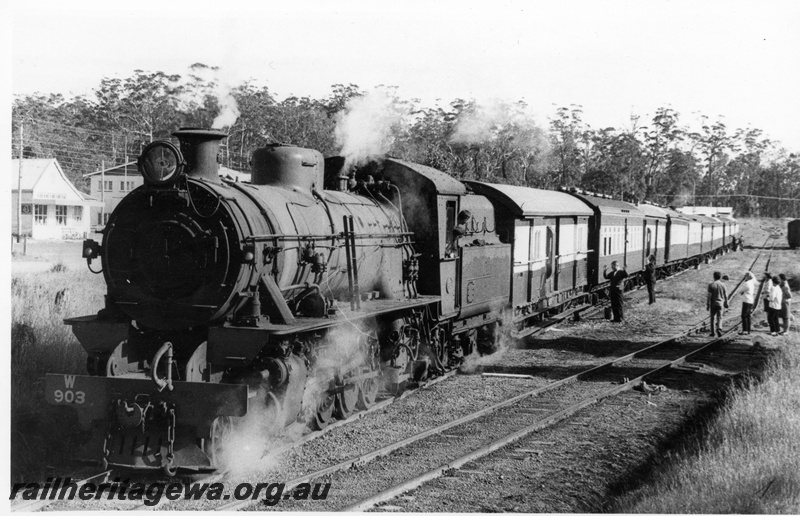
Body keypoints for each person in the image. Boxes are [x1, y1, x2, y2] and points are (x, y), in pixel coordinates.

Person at [706, 271, 729, 337]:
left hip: (713, 303)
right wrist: (726, 302)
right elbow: (726, 295)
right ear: (720, 277)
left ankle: (713, 333)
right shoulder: (723, 285)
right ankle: (719, 328)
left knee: (712, 318)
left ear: (714, 277)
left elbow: (709, 296)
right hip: (720, 303)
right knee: (720, 317)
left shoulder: (711, 285)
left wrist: (707, 304)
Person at [737, 271, 757, 335]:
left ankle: (745, 330)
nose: (745, 277)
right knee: (748, 316)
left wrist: (742, 292)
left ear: (748, 277)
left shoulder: (747, 283)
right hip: (750, 301)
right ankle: (748, 330)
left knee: (744, 316)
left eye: (746, 276)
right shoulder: (752, 283)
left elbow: (739, 291)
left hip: (746, 301)